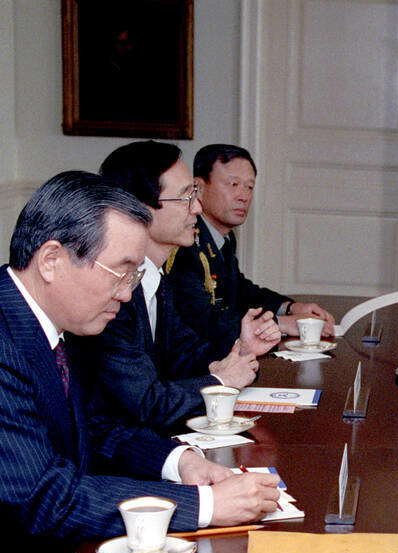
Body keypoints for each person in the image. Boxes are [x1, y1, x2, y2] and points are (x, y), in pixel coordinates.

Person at [0, 171, 280, 553]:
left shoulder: (53, 323)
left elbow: (97, 428)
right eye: (122, 271)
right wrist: (207, 507)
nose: (129, 292)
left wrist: (179, 462)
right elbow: (42, 497)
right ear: (52, 260)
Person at [87, 140, 281, 430]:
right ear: (139, 208)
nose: (198, 208)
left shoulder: (155, 280)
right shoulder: (111, 295)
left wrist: (241, 349)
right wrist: (220, 381)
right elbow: (147, 404)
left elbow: (184, 356)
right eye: (186, 198)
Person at [164, 144, 336, 341]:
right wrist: (283, 324)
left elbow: (239, 290)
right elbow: (201, 319)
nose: (243, 196)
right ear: (199, 189)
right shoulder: (184, 243)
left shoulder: (221, 237)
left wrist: (290, 307)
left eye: (249, 187)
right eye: (233, 184)